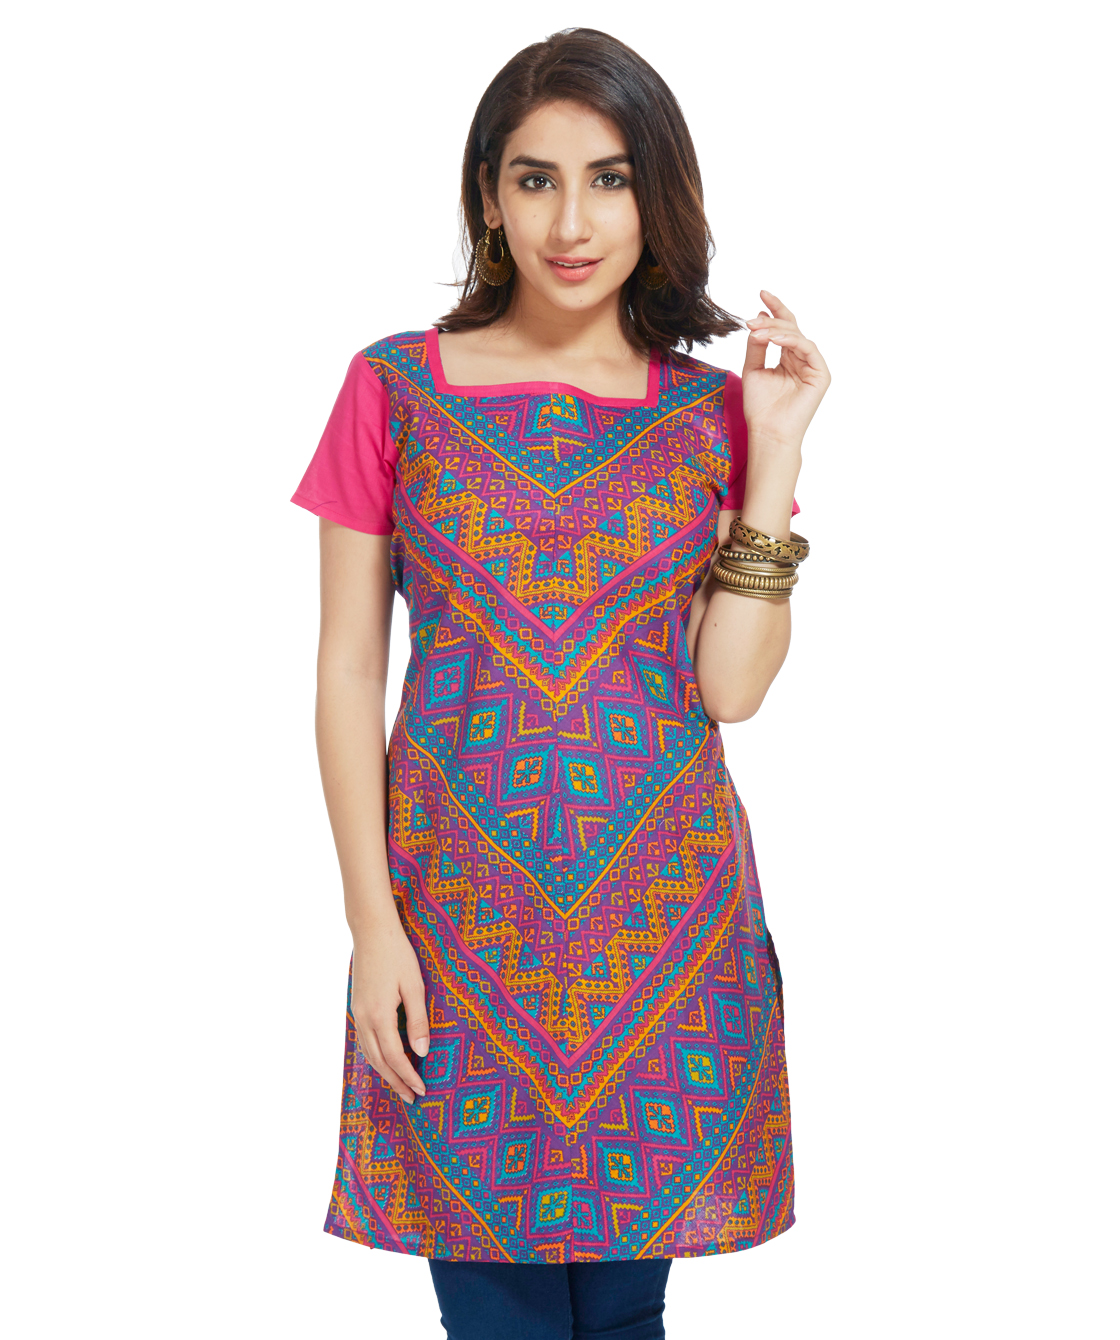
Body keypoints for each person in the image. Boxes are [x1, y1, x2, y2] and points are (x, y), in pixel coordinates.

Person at [291, 27, 830, 1340]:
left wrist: (771, 457)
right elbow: (349, 667)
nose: (571, 223)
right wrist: (372, 926)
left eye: (609, 179)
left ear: (658, 196)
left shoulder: (707, 416)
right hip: (457, 923)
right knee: (497, 1317)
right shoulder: (394, 390)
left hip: (660, 923)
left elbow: (729, 691)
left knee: (627, 1316)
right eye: (535, 180)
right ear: (489, 195)